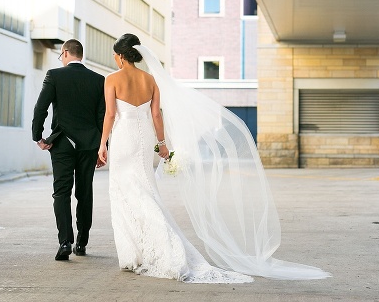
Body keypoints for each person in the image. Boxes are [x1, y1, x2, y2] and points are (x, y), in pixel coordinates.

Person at [98, 33, 330, 282]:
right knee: (146, 189)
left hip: (124, 137)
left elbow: (111, 115)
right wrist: (162, 144)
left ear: (121, 55)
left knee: (125, 191)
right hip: (144, 139)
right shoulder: (151, 80)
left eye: (115, 54)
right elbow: (156, 116)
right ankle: (148, 249)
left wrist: (103, 144)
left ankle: (138, 253)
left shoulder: (112, 79)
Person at [32, 39, 105, 261]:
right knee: (85, 192)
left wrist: (38, 136)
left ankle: (65, 241)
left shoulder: (54, 76)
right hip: (89, 144)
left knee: (61, 192)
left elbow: (41, 107)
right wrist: (103, 147)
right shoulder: (98, 80)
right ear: (80, 55)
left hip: (62, 144)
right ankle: (82, 242)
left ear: (65, 53)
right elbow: (102, 116)